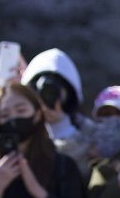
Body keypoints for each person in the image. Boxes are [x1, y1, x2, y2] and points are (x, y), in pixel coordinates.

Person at [22, 48, 97, 179]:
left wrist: (62, 128)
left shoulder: (87, 130)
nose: (48, 96)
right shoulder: (21, 127)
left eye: (54, 90)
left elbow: (82, 174)